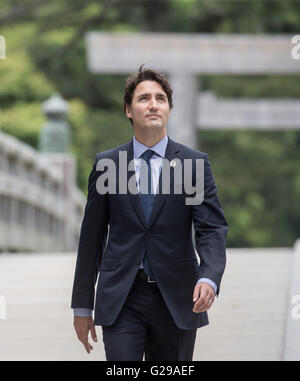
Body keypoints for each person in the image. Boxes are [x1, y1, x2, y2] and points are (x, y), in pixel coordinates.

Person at [71, 65, 228, 361]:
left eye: (160, 98)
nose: (153, 104)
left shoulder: (191, 165)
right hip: (122, 297)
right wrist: (82, 306)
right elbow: (91, 237)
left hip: (178, 298)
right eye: (144, 98)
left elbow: (211, 229)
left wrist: (209, 277)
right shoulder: (108, 165)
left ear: (169, 109)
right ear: (129, 110)